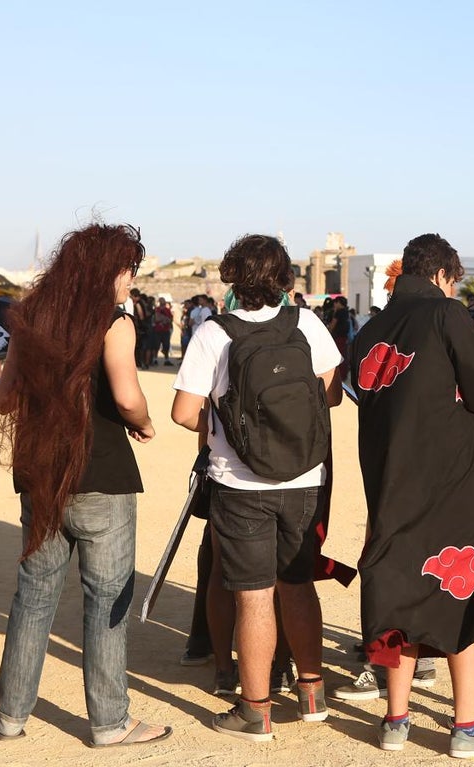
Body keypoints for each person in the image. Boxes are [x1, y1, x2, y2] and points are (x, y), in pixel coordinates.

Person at [0, 223, 171, 747]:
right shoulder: (114, 323)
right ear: (105, 270)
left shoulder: (31, 320)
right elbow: (129, 396)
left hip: (41, 474)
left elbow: (2, 400)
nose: (131, 279)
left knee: (34, 596)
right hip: (101, 475)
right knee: (106, 598)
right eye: (127, 268)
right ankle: (109, 722)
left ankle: (10, 716)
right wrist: (145, 423)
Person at [350, 233, 474, 758]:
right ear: (444, 275)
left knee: (392, 604)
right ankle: (468, 727)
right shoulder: (446, 316)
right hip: (449, 489)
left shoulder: (370, 329)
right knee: (461, 602)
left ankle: (395, 720)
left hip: (388, 489)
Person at [171, 234, 343, 743]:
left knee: (252, 596)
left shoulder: (213, 333)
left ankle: (255, 710)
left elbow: (183, 412)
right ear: (285, 278)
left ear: (231, 277)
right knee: (298, 583)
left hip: (239, 483)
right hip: (305, 476)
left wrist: (228, 424)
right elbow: (331, 394)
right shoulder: (306, 324)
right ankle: (312, 693)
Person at [151, 297, 174, 366]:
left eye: (163, 301)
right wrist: (164, 319)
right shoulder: (156, 309)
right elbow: (156, 319)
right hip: (158, 330)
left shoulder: (167, 310)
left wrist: (163, 318)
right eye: (161, 301)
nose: (162, 303)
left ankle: (166, 359)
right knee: (156, 345)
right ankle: (155, 359)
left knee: (166, 345)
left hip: (165, 330)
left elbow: (170, 319)